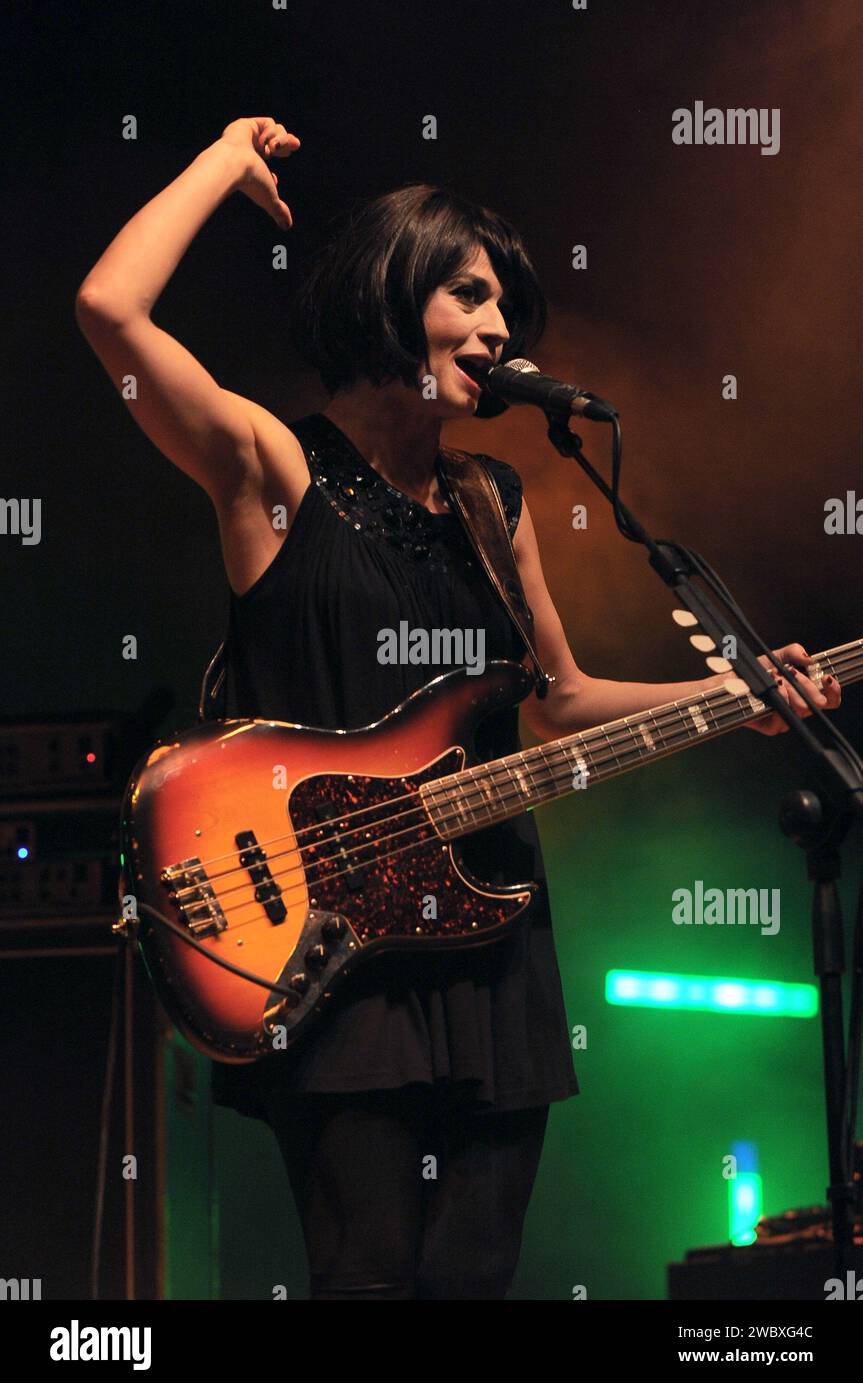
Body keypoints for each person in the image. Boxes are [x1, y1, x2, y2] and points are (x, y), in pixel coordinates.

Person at [75, 116, 841, 1300]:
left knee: (473, 1281)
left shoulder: (494, 500)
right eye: (469, 297)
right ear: (391, 290)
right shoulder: (274, 471)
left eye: (506, 314)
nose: (495, 331)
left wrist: (728, 695)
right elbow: (109, 312)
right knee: (370, 1275)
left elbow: (559, 699)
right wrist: (224, 165)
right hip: (328, 941)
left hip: (488, 943)